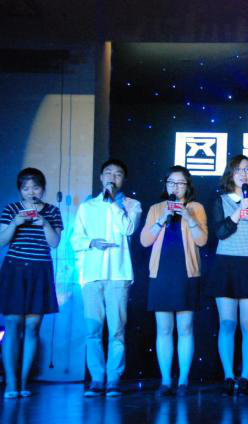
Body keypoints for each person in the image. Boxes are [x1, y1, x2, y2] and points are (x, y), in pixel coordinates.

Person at [71, 159, 142, 397]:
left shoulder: (132, 205)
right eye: (108, 173)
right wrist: (91, 242)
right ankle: (96, 378)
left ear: (123, 180)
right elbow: (75, 239)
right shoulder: (87, 207)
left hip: (119, 274)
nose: (112, 177)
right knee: (92, 329)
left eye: (118, 174)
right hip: (92, 274)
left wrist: (113, 204)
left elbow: (128, 229)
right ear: (101, 177)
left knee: (116, 330)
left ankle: (113, 378)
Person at [140, 166, 208, 397]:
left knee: (186, 328)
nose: (175, 187)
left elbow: (202, 240)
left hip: (186, 273)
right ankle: (166, 380)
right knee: (164, 328)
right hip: (161, 273)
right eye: (171, 182)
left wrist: (187, 217)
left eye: (180, 183)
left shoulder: (196, 208)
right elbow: (145, 241)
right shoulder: (156, 208)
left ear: (187, 186)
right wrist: (162, 219)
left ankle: (184, 381)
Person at [0, 168, 63, 399]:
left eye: (35, 187)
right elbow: (2, 241)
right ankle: (11, 382)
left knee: (33, 327)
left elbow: (55, 243)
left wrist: (44, 223)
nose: (31, 192)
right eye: (25, 188)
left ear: (43, 189)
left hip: (40, 271)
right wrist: (15, 223)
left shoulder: (52, 211)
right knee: (13, 325)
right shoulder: (11, 209)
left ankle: (25, 381)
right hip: (15, 270)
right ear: (20, 190)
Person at [209, 155, 248, 396]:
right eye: (239, 170)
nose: (244, 174)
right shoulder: (220, 200)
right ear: (230, 175)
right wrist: (239, 213)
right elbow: (220, 233)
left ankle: (246, 377)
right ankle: (228, 375)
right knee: (227, 323)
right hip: (226, 264)